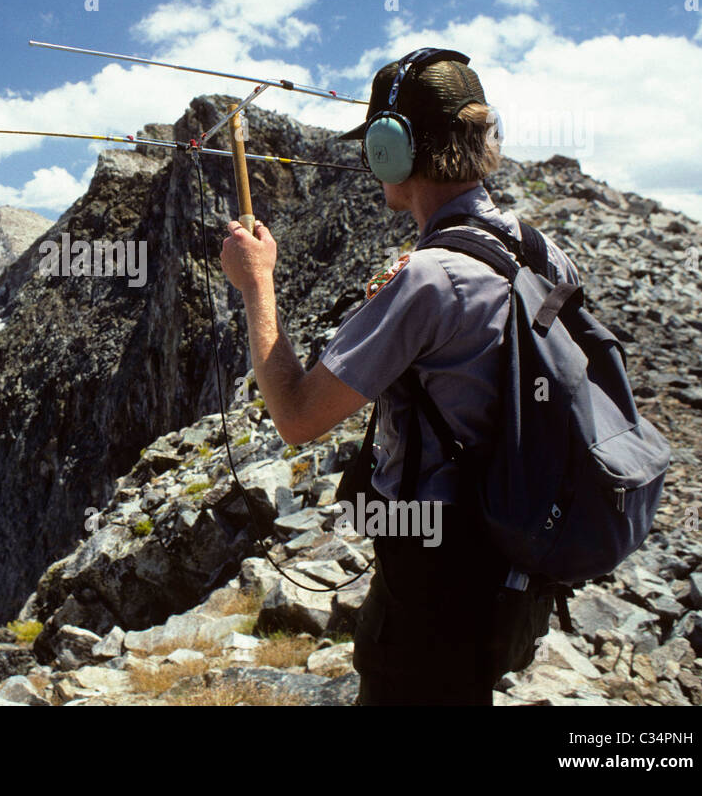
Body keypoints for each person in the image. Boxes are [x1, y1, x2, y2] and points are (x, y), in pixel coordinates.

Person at [219, 49, 577, 705]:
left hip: (432, 587)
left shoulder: (427, 278)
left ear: (394, 148)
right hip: (517, 565)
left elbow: (297, 416)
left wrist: (257, 284)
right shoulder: (543, 252)